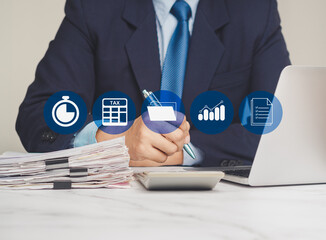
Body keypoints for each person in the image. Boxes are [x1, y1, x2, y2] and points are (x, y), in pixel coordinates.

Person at [16, 0, 290, 167]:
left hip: (223, 208)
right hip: (113, 209)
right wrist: (114, 141)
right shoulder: (94, 7)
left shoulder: (255, 10)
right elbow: (37, 115)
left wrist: (184, 152)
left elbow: (281, 128)